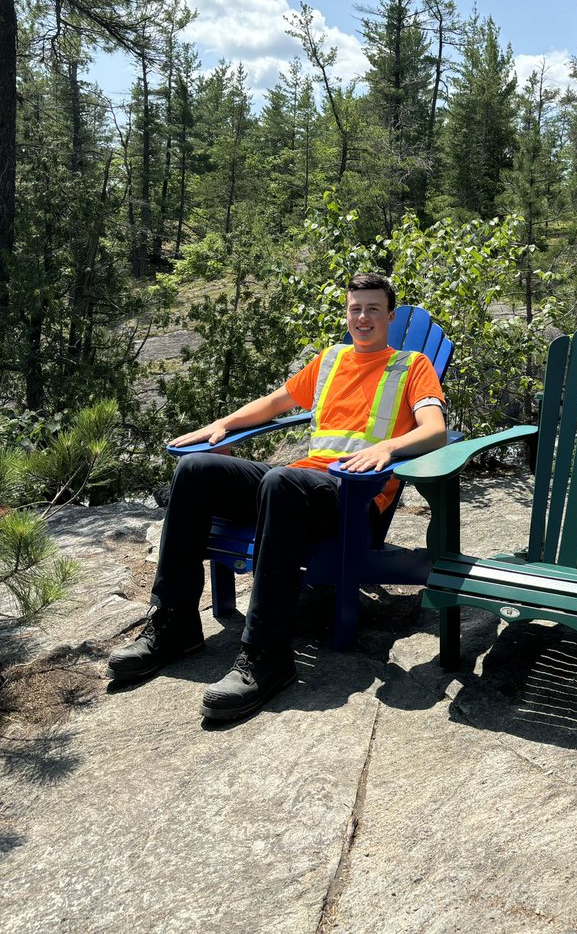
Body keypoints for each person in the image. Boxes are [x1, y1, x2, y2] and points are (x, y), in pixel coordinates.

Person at [107, 273, 447, 721]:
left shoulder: (412, 364)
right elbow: (274, 403)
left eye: (373, 310)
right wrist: (223, 426)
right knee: (195, 469)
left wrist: (385, 448)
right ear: (347, 314)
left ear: (389, 316)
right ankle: (174, 623)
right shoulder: (331, 360)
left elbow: (435, 431)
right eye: (355, 309)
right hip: (297, 487)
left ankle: (267, 654)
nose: (363, 318)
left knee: (279, 481)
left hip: (351, 497)